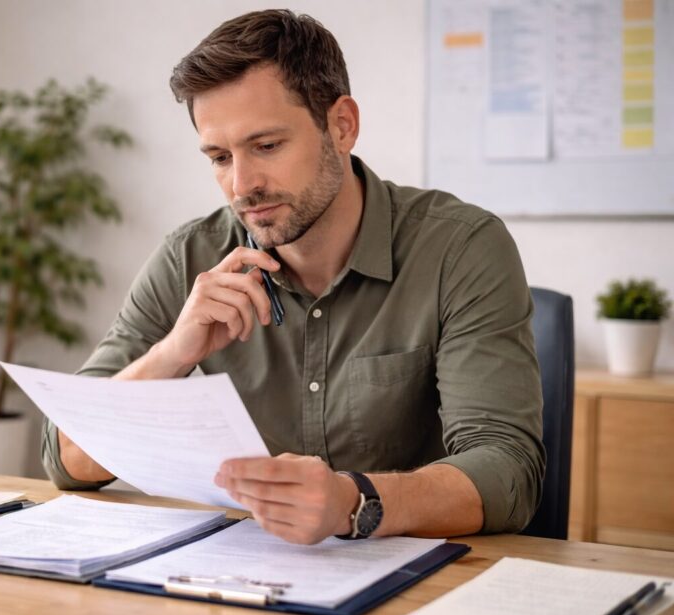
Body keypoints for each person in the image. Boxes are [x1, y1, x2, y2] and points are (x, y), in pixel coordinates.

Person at [41, 9, 544, 544]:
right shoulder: (190, 257)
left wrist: (354, 501)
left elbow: (509, 471)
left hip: (412, 581)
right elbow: (67, 460)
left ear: (342, 126)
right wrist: (172, 355)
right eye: (218, 157)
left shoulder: (459, 248)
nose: (242, 185)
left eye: (266, 146)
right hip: (239, 581)